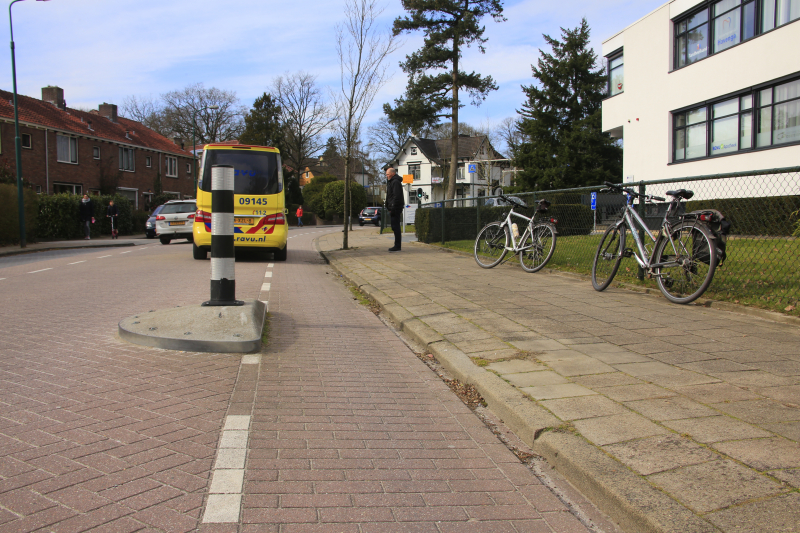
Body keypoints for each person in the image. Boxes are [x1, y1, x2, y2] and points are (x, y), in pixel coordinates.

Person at [384, 167, 403, 252]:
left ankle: (397, 245)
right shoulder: (392, 182)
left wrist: (392, 207)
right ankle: (397, 245)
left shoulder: (395, 182)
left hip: (395, 208)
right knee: (394, 226)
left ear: (392, 174)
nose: (386, 176)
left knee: (396, 226)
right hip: (393, 207)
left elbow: (396, 196)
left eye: (388, 174)